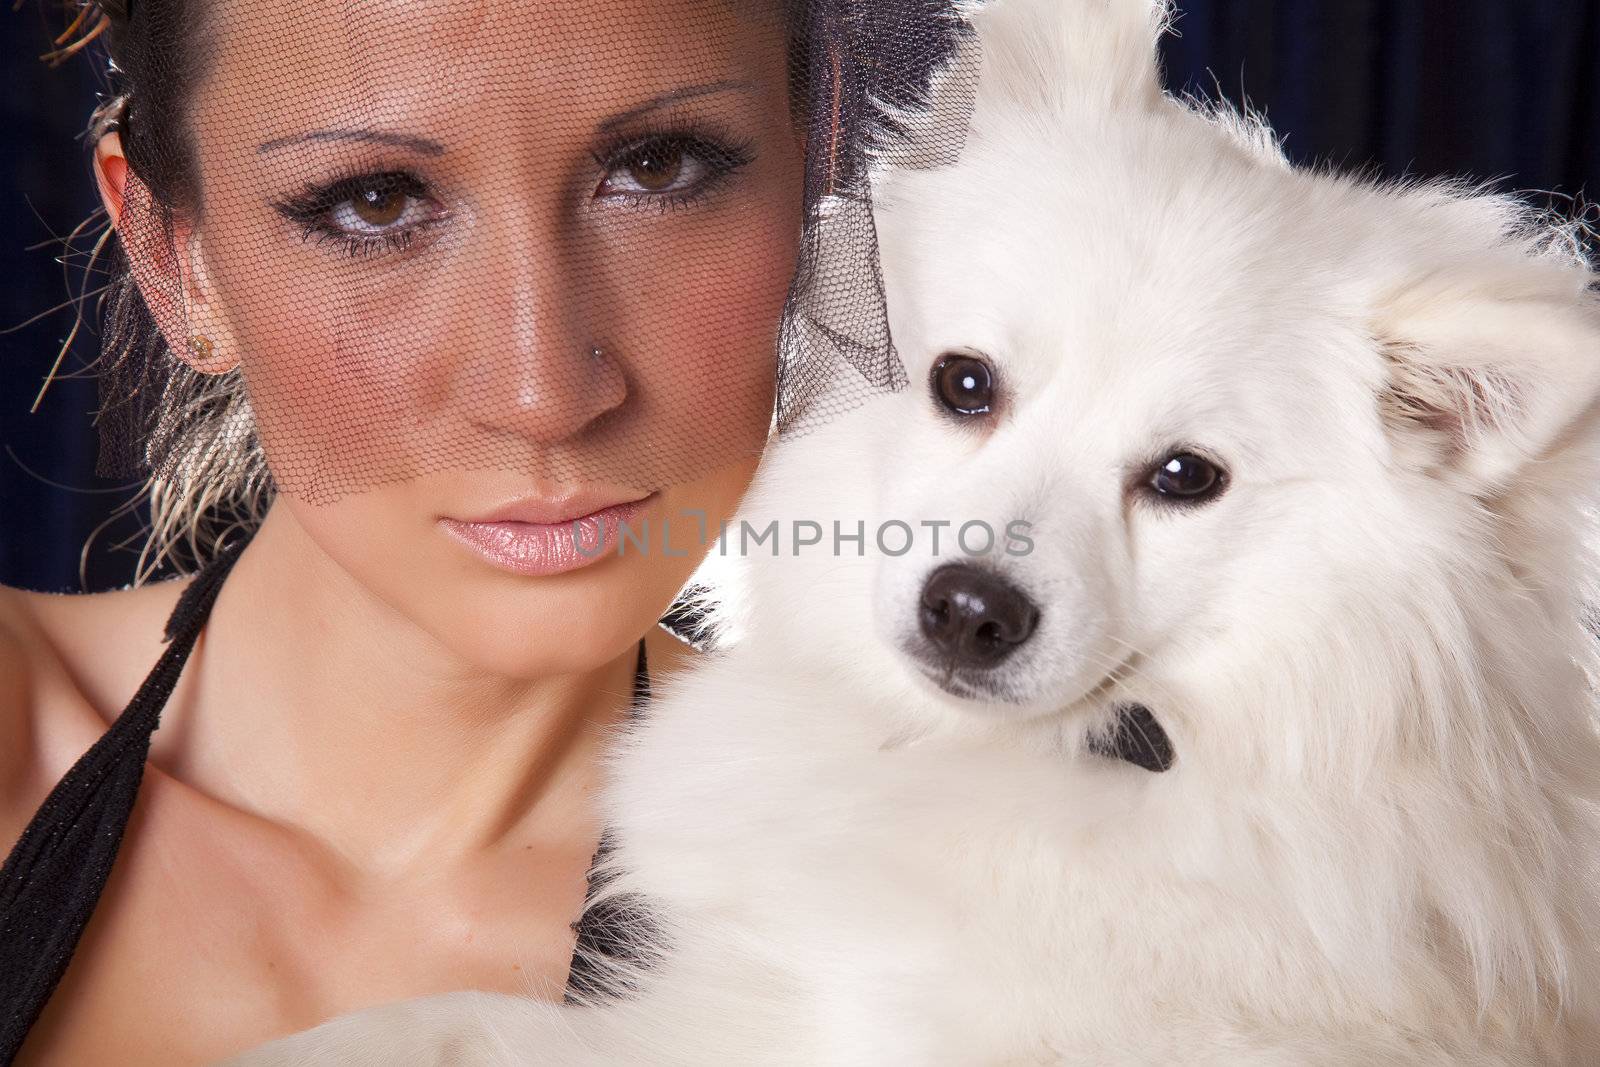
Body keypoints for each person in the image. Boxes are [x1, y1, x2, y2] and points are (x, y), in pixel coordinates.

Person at [0, 0, 968, 1062]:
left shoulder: (933, 895)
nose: (542, 388)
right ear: (177, 259)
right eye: (374, 202)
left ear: (815, 173)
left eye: (659, 168)